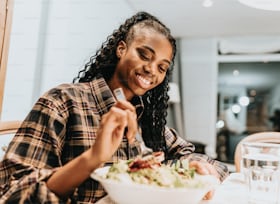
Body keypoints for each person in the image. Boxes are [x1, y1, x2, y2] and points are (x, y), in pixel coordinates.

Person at [0, 11, 228, 203]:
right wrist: (92, 158)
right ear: (121, 49)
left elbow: (198, 157)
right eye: (144, 55)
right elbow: (11, 193)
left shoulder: (145, 118)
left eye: (162, 67)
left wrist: (198, 166)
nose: (152, 70)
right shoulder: (64, 102)